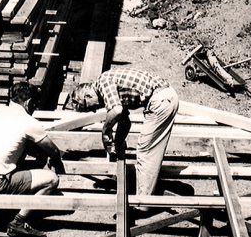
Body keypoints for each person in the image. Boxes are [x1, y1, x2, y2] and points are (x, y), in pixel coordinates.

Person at [0, 82, 63, 237]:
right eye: (34, 105)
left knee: (18, 156)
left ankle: (10, 208)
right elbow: (53, 150)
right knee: (52, 180)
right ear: (29, 102)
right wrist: (57, 161)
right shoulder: (29, 122)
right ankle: (18, 223)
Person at [68, 67, 178, 200]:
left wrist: (105, 131)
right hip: (165, 97)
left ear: (88, 95)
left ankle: (142, 203)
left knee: (145, 152)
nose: (93, 110)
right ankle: (145, 191)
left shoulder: (103, 82)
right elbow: (125, 122)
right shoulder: (111, 89)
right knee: (149, 151)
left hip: (160, 100)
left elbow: (117, 110)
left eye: (90, 107)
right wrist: (117, 143)